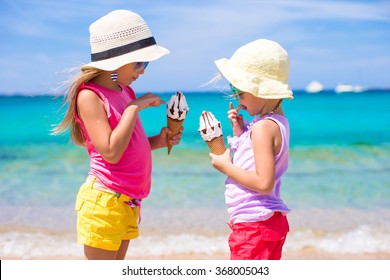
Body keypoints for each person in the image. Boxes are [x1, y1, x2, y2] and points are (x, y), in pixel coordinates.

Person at [53, 10, 183, 260]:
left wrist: (160, 140)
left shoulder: (126, 91)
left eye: (145, 63)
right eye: (139, 63)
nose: (142, 71)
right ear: (115, 60)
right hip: (104, 200)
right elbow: (111, 152)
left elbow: (129, 144)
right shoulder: (89, 96)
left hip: (129, 202)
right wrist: (135, 108)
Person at [208, 39, 293, 260]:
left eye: (239, 91)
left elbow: (264, 183)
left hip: (255, 225)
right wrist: (240, 131)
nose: (236, 98)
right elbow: (255, 157)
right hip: (265, 223)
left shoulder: (264, 127)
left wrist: (226, 166)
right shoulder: (276, 122)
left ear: (260, 90)